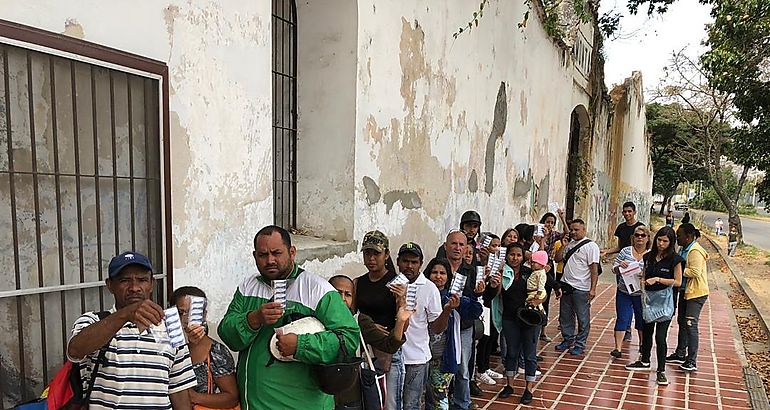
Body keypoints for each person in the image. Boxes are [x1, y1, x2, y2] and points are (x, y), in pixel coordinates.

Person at [218, 225, 360, 409]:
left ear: (292, 252)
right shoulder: (247, 287)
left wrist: (301, 345)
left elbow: (348, 338)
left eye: (276, 253)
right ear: (254, 256)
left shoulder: (317, 289)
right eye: (263, 255)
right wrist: (253, 319)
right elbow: (227, 334)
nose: (270, 260)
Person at [66, 251, 196, 409]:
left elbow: (179, 389)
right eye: (124, 280)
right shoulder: (93, 321)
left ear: (151, 284)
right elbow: (75, 350)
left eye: (142, 280)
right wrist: (125, 315)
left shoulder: (171, 326)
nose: (134, 287)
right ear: (110, 285)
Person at [329, 275, 412, 410]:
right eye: (337, 293)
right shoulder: (317, 320)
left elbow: (389, 345)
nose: (342, 299)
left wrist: (401, 321)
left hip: (351, 396)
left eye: (348, 295)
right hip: (323, 393)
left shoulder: (359, 321)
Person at [395, 242, 455, 410]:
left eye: (414, 262)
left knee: (411, 404)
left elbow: (436, 328)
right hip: (391, 357)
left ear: (421, 264)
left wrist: (447, 310)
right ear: (398, 261)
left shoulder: (429, 288)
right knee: (392, 404)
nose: (409, 266)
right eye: (405, 261)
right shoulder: (392, 284)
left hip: (416, 358)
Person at [625, 227, 683, 386]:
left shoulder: (675, 259)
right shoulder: (648, 256)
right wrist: (641, 278)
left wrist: (658, 279)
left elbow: (678, 282)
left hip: (665, 303)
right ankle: (644, 360)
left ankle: (661, 370)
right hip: (649, 300)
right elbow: (644, 274)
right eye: (659, 240)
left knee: (660, 336)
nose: (661, 243)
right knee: (647, 331)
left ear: (671, 243)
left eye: (665, 241)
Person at [423, 258, 483, 410]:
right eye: (434, 272)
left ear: (448, 277)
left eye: (442, 273)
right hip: (423, 356)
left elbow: (475, 311)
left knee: (440, 398)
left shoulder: (453, 298)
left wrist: (477, 295)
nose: (438, 276)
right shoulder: (422, 295)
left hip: (444, 358)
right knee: (430, 397)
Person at [353, 230, 404, 410]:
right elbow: (352, 316)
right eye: (367, 253)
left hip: (389, 350)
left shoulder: (396, 283)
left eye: (376, 253)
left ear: (387, 255)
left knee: (390, 402)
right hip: (365, 350)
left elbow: (404, 320)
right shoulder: (358, 283)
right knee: (369, 399)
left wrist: (401, 299)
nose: (371, 258)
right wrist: (369, 326)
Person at [487, 243, 539, 404]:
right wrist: (495, 285)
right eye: (512, 255)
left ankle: (528, 389)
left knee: (530, 355)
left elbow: (544, 287)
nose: (515, 258)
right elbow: (492, 295)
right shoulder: (500, 273)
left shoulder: (529, 273)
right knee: (511, 353)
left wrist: (540, 299)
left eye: (518, 255)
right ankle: (509, 385)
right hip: (509, 318)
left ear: (523, 257)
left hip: (529, 319)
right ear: (506, 256)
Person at [171, 287, 240, 408]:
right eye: (181, 313)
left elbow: (231, 398)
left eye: (193, 313)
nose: (186, 319)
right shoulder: (167, 347)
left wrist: (194, 397)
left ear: (204, 314)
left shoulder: (216, 352)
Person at [443, 230, 484, 410]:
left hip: (464, 327)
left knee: (463, 369)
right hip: (441, 325)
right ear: (446, 246)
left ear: (466, 247)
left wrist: (481, 291)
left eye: (461, 245)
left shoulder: (470, 270)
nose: (457, 248)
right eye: (454, 244)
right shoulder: (438, 266)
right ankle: (441, 401)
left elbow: (478, 298)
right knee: (440, 368)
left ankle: (462, 403)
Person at [666, 223, 709, 372]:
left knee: (691, 325)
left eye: (679, 236)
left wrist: (678, 270)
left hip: (696, 293)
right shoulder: (684, 248)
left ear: (688, 237)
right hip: (685, 291)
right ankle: (680, 353)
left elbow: (695, 272)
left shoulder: (695, 251)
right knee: (682, 322)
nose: (677, 238)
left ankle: (691, 360)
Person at [553, 219, 600, 356]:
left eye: (576, 230)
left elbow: (594, 269)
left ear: (584, 230)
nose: (573, 232)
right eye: (571, 229)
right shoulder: (569, 244)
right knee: (565, 316)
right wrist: (563, 246)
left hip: (582, 288)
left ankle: (580, 344)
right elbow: (557, 259)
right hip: (566, 285)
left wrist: (593, 288)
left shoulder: (591, 246)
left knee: (582, 318)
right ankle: (567, 339)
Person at [610, 225, 650, 359]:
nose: (640, 238)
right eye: (637, 235)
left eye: (643, 235)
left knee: (641, 320)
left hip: (642, 293)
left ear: (647, 238)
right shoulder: (625, 251)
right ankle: (617, 348)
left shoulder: (651, 254)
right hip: (624, 291)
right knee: (622, 317)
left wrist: (645, 276)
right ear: (633, 237)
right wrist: (619, 266)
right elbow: (614, 268)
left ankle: (643, 346)